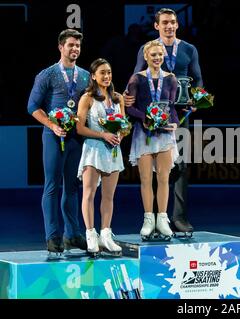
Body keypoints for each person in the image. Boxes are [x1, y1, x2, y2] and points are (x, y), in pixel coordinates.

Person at [126, 7, 203, 234]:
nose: (169, 26)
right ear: (156, 26)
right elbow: (137, 75)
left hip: (179, 113)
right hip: (150, 114)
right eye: (165, 22)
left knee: (179, 165)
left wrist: (197, 98)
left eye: (172, 22)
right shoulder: (147, 49)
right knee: (150, 169)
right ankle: (152, 216)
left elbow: (198, 78)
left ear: (177, 24)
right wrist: (128, 102)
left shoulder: (189, 49)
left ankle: (177, 217)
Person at [27, 29, 89, 254]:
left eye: (78, 46)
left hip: (76, 139)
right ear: (60, 47)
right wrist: (52, 125)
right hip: (54, 137)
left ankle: (72, 234)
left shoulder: (85, 76)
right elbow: (32, 107)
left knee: (72, 188)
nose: (75, 49)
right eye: (71, 45)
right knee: (52, 186)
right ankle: (52, 236)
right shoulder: (47, 74)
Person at [126, 40, 179, 240]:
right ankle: (148, 219)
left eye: (160, 55)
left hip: (165, 134)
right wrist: (144, 118)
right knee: (146, 179)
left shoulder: (171, 78)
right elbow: (129, 107)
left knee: (164, 178)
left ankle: (162, 219)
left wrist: (174, 123)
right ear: (146, 57)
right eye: (153, 55)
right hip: (144, 133)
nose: (157, 58)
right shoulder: (137, 79)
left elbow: (172, 106)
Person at [76, 58, 124, 256]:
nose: (107, 76)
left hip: (112, 151)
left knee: (108, 196)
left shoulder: (118, 98)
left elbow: (124, 124)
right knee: (89, 194)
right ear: (93, 76)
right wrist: (103, 134)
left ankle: (106, 234)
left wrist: (119, 135)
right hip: (93, 149)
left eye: (109, 72)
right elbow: (79, 128)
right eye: (102, 73)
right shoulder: (87, 98)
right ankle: (90, 235)